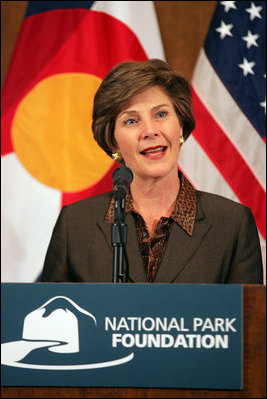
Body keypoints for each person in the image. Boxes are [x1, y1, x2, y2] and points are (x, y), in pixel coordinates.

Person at [41, 59, 263, 284]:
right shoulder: (76, 224)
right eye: (131, 121)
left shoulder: (232, 224)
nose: (150, 130)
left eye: (161, 115)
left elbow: (248, 318)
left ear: (181, 127)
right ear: (113, 142)